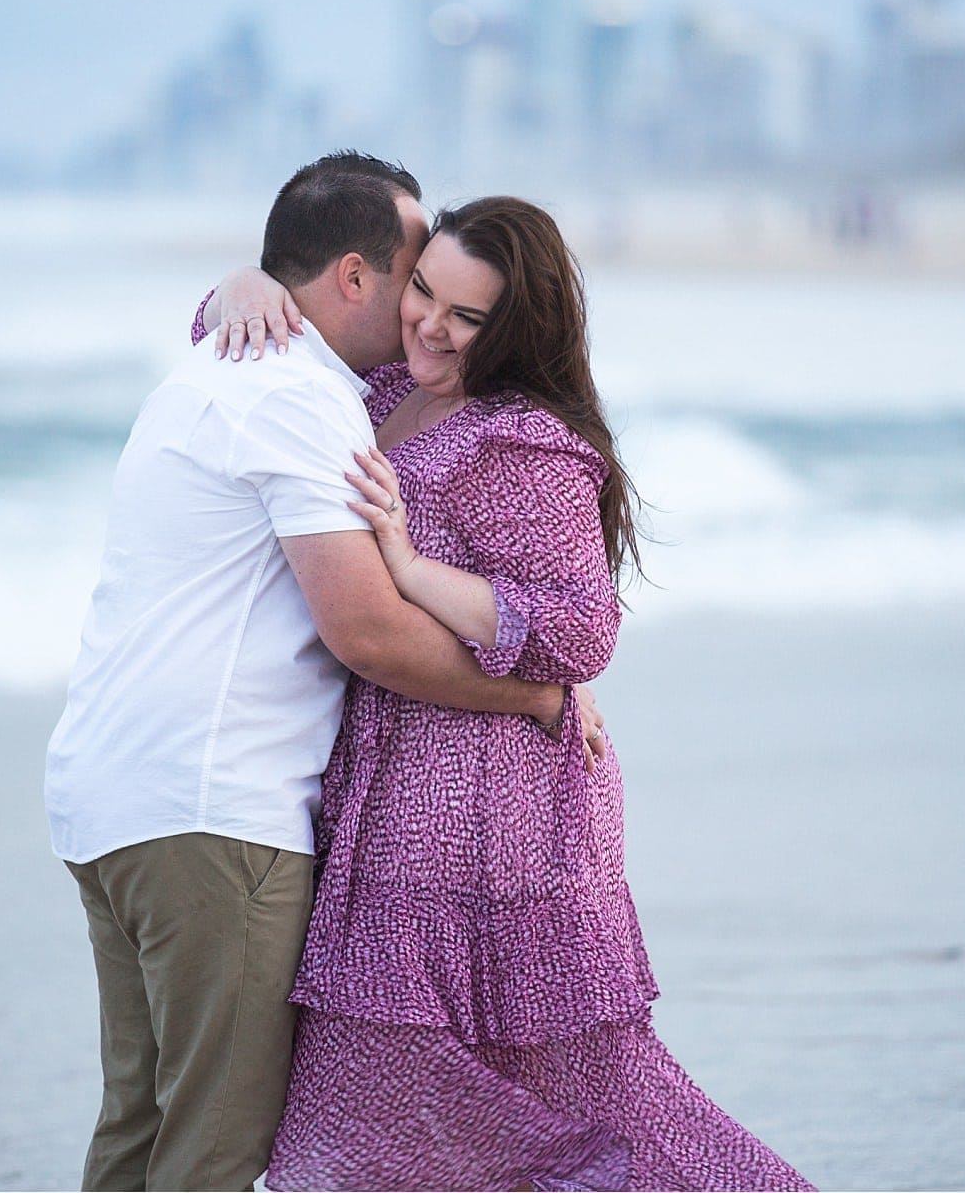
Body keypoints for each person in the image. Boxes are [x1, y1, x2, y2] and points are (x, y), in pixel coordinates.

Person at [207, 197, 816, 1190]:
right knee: (387, 1109)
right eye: (423, 293)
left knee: (563, 1102)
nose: (430, 325)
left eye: (466, 317)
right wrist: (246, 284)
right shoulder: (383, 387)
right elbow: (256, 328)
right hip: (392, 788)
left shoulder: (523, 442)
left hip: (497, 809)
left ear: (517, 328)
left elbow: (581, 629)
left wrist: (408, 569)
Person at [45, 154, 593, 1192]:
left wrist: (241, 281)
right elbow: (368, 633)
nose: (423, 309)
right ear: (353, 275)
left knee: (141, 1123)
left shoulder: (228, 356)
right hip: (214, 812)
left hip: (111, 796)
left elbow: (238, 301)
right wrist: (536, 693)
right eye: (412, 279)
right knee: (212, 1145)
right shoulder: (300, 397)